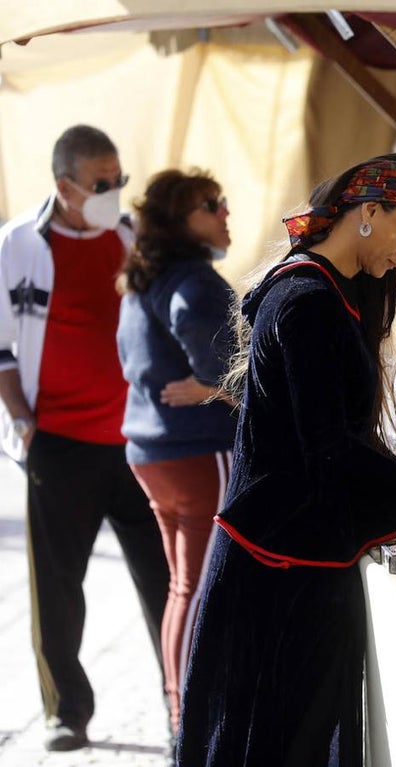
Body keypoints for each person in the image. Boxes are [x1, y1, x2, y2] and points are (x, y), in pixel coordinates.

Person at [177, 153, 396, 766]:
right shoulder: (306, 302)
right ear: (368, 212)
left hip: (289, 558)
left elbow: (339, 439)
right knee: (276, 742)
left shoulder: (327, 293)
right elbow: (329, 448)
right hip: (277, 571)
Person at [0, 124, 169, 751]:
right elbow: (1, 352)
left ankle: (182, 703)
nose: (114, 193)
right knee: (58, 589)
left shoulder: (133, 238)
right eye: (101, 184)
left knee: (167, 580)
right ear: (64, 185)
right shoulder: (19, 245)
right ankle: (65, 711)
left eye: (119, 179)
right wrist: (22, 418)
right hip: (61, 443)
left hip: (139, 441)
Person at [116, 168, 238, 743]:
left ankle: (181, 712)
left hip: (152, 450)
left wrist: (204, 380)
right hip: (196, 451)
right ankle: (185, 720)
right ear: (180, 223)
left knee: (181, 585)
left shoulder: (145, 280)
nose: (225, 213)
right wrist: (215, 383)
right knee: (197, 585)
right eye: (211, 205)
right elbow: (228, 360)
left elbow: (133, 359)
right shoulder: (194, 280)